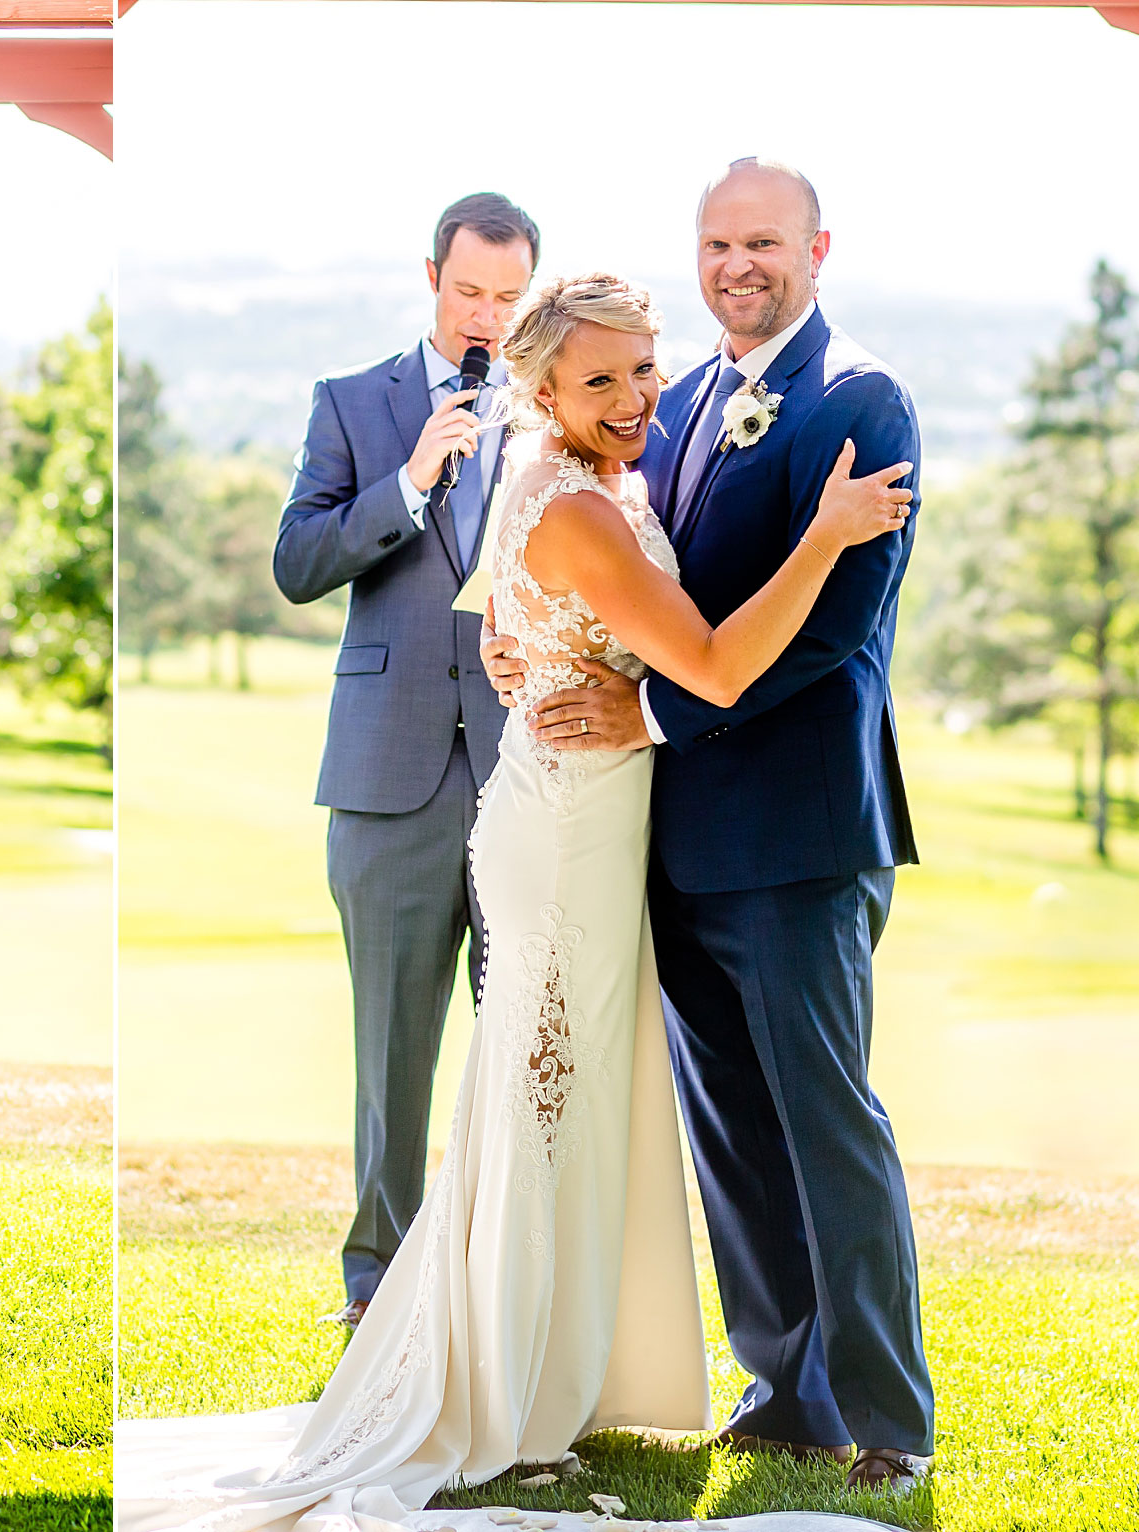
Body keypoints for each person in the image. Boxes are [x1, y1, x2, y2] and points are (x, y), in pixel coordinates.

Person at [115, 269, 914, 1532]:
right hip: (563, 830)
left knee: (551, 1096)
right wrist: (822, 534)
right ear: (539, 391)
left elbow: (506, 623)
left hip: (578, 817)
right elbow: (704, 662)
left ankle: (547, 1370)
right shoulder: (577, 502)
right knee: (541, 1099)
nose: (634, 395)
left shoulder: (577, 481)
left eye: (644, 368)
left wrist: (526, 649)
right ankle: (502, 1385)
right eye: (599, 379)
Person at [484, 159, 935, 1495]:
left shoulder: (858, 398)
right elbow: (606, 572)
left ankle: (884, 1418)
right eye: (718, 242)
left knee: (826, 1122)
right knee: (734, 1131)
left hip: (799, 836)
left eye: (765, 242)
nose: (740, 263)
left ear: (818, 249)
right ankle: (784, 1384)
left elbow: (837, 630)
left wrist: (652, 724)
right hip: (671, 843)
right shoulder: (670, 403)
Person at [272, 193, 532, 1326]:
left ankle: (505, 1274)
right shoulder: (351, 401)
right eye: (470, 291)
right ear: (430, 274)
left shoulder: (551, 406)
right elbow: (295, 561)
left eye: (507, 297)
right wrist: (409, 481)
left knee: (524, 1035)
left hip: (525, 771)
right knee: (391, 1047)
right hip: (387, 775)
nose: (486, 315)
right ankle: (376, 1286)